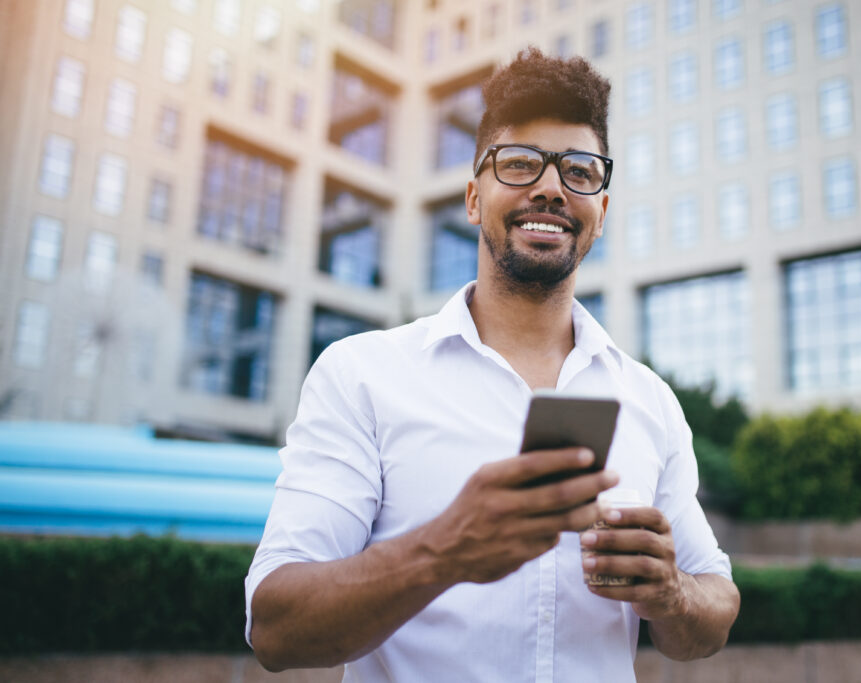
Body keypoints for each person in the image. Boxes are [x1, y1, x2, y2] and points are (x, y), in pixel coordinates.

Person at [245, 47, 740, 682]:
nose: (551, 187)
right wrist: (443, 550)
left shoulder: (650, 401)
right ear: (475, 199)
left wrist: (671, 594)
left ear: (601, 215)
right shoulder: (360, 374)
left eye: (580, 171)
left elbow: (716, 605)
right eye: (520, 164)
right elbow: (275, 629)